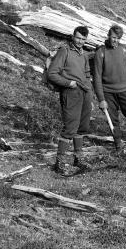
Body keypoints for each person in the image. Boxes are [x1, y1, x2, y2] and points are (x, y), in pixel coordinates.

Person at [93, 24, 126, 154]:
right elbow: (97, 77)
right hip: (108, 93)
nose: (114, 40)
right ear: (108, 36)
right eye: (113, 37)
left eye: (117, 38)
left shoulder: (125, 50)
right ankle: (119, 148)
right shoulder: (101, 52)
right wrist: (101, 99)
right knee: (113, 122)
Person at [48, 25, 93, 174]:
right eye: (78, 38)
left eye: (83, 39)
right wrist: (68, 83)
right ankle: (59, 162)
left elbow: (87, 76)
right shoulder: (64, 51)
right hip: (71, 92)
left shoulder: (84, 55)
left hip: (85, 93)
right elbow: (52, 74)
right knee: (70, 128)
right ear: (73, 37)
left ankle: (78, 159)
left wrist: (90, 93)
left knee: (82, 126)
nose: (80, 41)